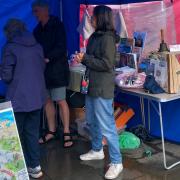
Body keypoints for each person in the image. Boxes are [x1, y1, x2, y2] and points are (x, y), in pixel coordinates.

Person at [75, 5, 123, 180]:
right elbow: (95, 60)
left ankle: (117, 162)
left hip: (102, 87)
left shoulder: (109, 39)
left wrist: (86, 58)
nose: (91, 20)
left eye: (93, 17)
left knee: (108, 126)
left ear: (101, 18)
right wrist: (83, 58)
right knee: (92, 120)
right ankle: (97, 150)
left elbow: (107, 64)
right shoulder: (95, 36)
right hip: (92, 85)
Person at [0, 18, 46, 179]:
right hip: (36, 97)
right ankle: (35, 167)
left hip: (18, 99)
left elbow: (6, 76)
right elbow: (42, 67)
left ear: (9, 32)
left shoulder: (10, 48)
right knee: (32, 133)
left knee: (13, 135)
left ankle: (13, 172)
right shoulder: (37, 46)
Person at [32, 0, 73, 147]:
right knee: (47, 101)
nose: (34, 14)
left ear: (45, 10)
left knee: (61, 100)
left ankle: (67, 132)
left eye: (36, 11)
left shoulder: (57, 25)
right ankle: (51, 131)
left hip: (57, 70)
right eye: (34, 11)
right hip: (42, 71)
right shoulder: (36, 30)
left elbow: (62, 47)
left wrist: (48, 57)